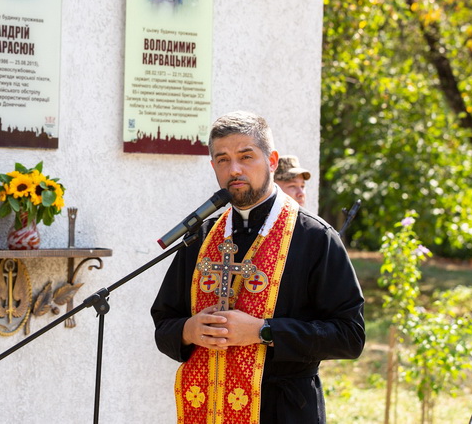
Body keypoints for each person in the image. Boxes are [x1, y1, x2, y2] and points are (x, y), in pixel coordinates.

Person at [151, 111, 365, 423]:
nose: (234, 169)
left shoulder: (314, 237)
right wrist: (188, 330)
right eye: (222, 159)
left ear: (272, 160)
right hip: (208, 409)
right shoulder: (201, 237)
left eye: (246, 156)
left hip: (284, 410)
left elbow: (350, 336)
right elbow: (164, 323)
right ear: (213, 167)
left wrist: (263, 331)